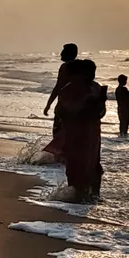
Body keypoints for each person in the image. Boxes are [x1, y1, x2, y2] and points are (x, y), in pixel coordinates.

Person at [45, 59, 106, 202]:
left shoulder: (96, 88)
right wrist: (86, 104)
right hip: (75, 132)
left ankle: (94, 195)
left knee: (93, 164)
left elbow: (101, 112)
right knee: (75, 164)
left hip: (92, 132)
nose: (91, 75)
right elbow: (63, 111)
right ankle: (77, 194)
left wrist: (99, 104)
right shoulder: (69, 90)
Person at [43, 43, 79, 136]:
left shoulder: (65, 67)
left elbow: (58, 87)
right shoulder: (80, 67)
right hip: (77, 108)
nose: (61, 54)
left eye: (63, 51)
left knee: (58, 135)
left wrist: (48, 105)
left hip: (64, 107)